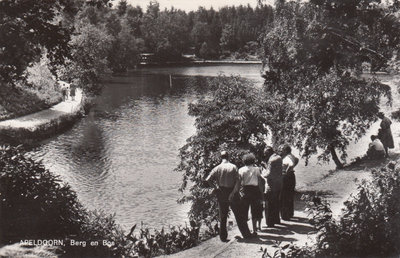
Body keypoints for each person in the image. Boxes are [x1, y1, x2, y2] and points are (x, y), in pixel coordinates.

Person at [205, 151, 251, 241]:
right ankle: (246, 234)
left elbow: (208, 180)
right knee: (239, 214)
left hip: (221, 192)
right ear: (228, 157)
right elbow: (238, 181)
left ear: (220, 157)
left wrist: (216, 188)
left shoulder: (217, 168)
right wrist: (233, 192)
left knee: (223, 215)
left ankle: (223, 237)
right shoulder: (233, 167)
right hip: (232, 191)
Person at [238, 153, 263, 235]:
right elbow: (259, 182)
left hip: (246, 190)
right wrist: (261, 192)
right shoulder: (256, 169)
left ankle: (246, 230)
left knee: (244, 210)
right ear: (252, 160)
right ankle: (254, 229)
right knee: (254, 210)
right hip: (255, 190)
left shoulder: (241, 170)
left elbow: (239, 182)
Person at [261, 146, 283, 227]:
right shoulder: (278, 157)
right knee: (276, 202)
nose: (265, 155)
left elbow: (269, 174)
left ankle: (270, 222)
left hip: (271, 185)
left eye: (265, 153)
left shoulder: (271, 160)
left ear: (268, 152)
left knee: (269, 204)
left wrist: (262, 175)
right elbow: (274, 170)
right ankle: (276, 219)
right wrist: (266, 166)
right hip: (279, 184)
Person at [279, 144, 299, 220]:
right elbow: (297, 160)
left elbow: (291, 164)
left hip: (287, 177)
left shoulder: (287, 157)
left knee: (284, 195)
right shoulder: (292, 156)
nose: (281, 151)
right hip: (291, 176)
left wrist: (285, 172)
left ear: (285, 150)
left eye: (282, 150)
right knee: (289, 195)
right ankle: (290, 213)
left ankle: (285, 215)